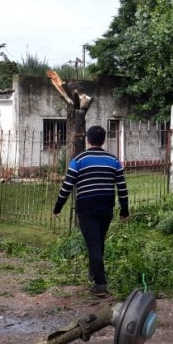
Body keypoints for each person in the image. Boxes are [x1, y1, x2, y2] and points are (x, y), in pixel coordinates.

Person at [53, 125, 129, 298]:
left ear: (87, 139)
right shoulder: (114, 160)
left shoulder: (79, 160)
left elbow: (67, 186)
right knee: (99, 243)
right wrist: (124, 210)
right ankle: (94, 274)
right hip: (106, 207)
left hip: (86, 208)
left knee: (94, 246)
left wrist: (58, 207)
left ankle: (100, 284)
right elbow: (122, 188)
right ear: (103, 140)